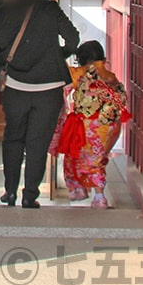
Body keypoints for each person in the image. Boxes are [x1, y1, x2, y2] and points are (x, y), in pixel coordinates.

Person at [0, 0, 79, 208]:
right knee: (38, 142)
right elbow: (73, 39)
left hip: (16, 86)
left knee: (13, 138)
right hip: (50, 88)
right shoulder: (49, 9)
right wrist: (57, 55)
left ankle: (9, 191)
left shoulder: (2, 14)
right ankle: (30, 195)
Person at [51, 40, 131, 209]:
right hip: (109, 125)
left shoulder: (80, 73)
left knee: (74, 157)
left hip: (86, 126)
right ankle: (99, 196)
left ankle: (79, 189)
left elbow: (63, 87)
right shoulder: (110, 76)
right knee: (97, 160)